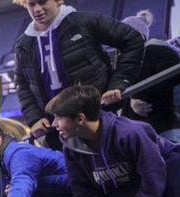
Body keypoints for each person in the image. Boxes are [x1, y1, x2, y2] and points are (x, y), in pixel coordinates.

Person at [46, 85, 180, 197]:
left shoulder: (130, 133)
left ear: (80, 119)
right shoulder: (71, 147)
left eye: (58, 118)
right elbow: (85, 194)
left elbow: (153, 179)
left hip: (171, 184)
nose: (54, 124)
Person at [12, 0, 144, 148]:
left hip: (98, 119)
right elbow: (22, 85)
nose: (37, 9)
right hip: (59, 132)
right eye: (32, 4)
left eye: (42, 2)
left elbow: (132, 39)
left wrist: (119, 83)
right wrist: (34, 118)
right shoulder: (23, 44)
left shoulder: (83, 22)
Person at [118, 11, 180, 143]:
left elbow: (174, 77)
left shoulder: (155, 49)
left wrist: (139, 96)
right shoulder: (128, 61)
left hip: (164, 129)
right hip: (144, 134)